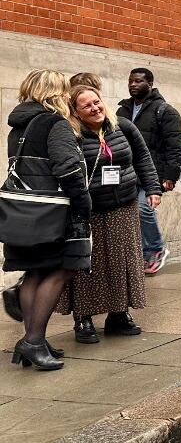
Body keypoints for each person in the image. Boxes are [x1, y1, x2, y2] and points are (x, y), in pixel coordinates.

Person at [3, 71, 92, 371]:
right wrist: (83, 203)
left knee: (34, 273)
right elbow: (68, 170)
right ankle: (33, 341)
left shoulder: (19, 126)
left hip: (25, 215)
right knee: (60, 270)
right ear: (56, 92)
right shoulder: (56, 124)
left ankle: (33, 338)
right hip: (55, 214)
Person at [58, 85, 161, 343]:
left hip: (123, 206)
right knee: (88, 266)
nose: (95, 108)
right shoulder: (71, 134)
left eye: (97, 102)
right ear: (76, 112)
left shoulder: (122, 126)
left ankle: (118, 315)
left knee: (121, 263)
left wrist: (153, 188)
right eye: (87, 106)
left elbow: (143, 158)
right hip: (89, 210)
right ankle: (83, 319)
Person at [116, 68, 181, 275]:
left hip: (152, 172)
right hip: (126, 172)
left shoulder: (165, 111)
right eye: (130, 81)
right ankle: (143, 254)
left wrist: (170, 175)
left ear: (150, 84)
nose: (133, 85)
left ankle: (156, 249)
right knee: (129, 213)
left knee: (143, 209)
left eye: (138, 81)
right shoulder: (122, 111)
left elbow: (175, 145)